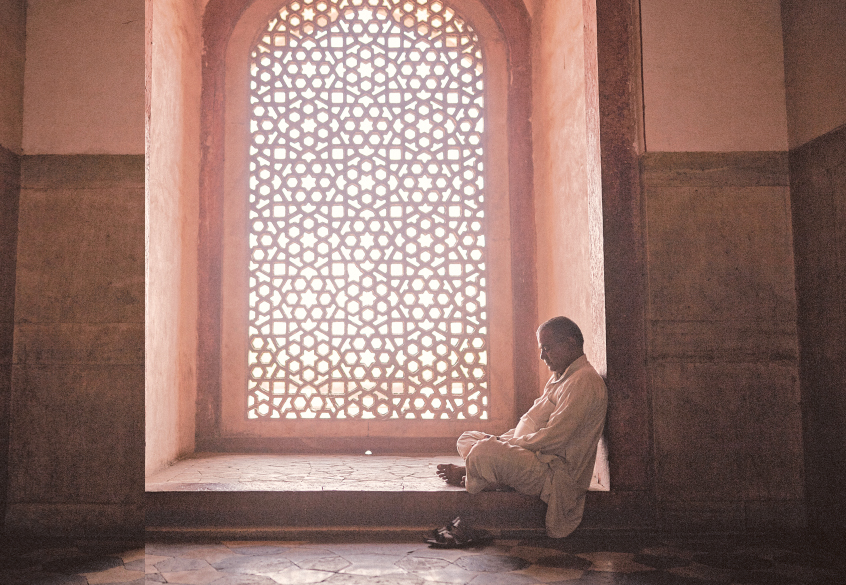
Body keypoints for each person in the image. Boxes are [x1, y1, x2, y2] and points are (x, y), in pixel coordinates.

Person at [436, 316, 607, 538]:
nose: (542, 356)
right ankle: (489, 474)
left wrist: (504, 444)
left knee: (483, 451)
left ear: (571, 343)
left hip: (554, 472)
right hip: (533, 454)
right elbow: (531, 424)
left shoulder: (583, 382)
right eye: (541, 348)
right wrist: (504, 440)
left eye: (547, 348)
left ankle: (475, 473)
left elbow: (553, 439)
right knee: (468, 438)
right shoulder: (563, 377)